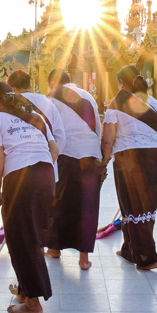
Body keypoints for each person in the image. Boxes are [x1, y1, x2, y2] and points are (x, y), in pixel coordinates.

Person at [0, 81, 57, 313]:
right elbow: (54, 149)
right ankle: (26, 290)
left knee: (21, 239)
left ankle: (33, 303)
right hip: (46, 174)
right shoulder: (34, 115)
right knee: (31, 236)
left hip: (21, 178)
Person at [101, 65, 157, 269]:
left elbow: (108, 138)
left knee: (133, 204)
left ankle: (148, 257)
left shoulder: (116, 102)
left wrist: (103, 162)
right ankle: (130, 248)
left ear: (120, 81)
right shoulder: (155, 102)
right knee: (146, 204)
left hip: (132, 156)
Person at [45, 69, 102, 270]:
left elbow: (48, 130)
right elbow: (98, 128)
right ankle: (84, 259)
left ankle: (54, 248)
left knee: (59, 202)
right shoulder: (88, 96)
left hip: (66, 154)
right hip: (91, 154)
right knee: (87, 206)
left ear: (53, 82)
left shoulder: (50, 98)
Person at [7, 70, 66, 153]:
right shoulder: (48, 101)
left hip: (21, 160)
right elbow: (60, 136)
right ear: (30, 87)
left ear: (12, 89)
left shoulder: (10, 105)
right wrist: (51, 159)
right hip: (47, 158)